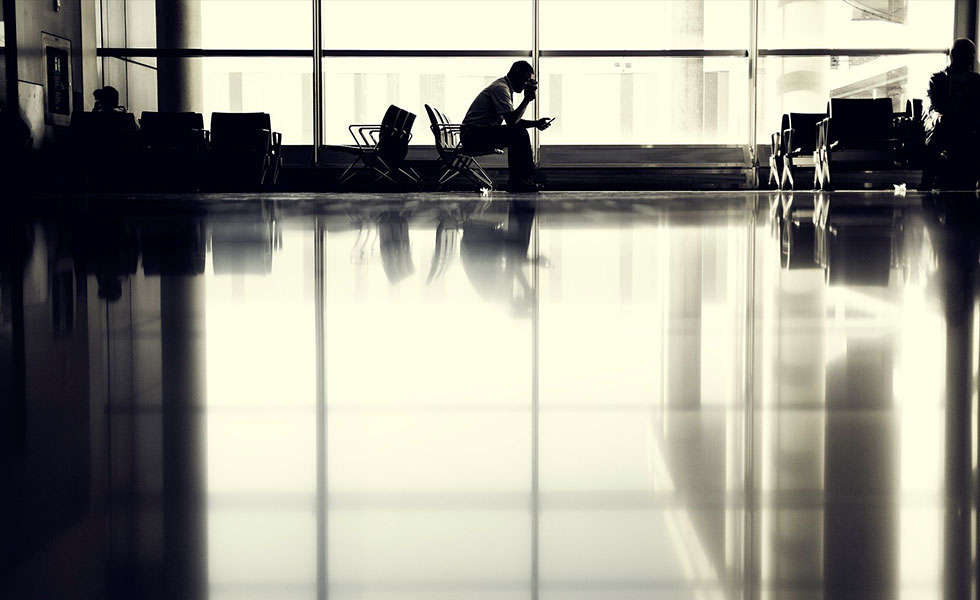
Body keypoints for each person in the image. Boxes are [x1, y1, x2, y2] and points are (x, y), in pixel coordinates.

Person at [461, 60, 553, 193]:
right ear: (518, 76)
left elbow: (512, 121)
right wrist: (527, 99)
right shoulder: (501, 89)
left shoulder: (504, 87)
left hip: (475, 133)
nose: (527, 84)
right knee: (518, 134)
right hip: (473, 135)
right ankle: (520, 181)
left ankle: (520, 180)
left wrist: (536, 123)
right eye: (527, 79)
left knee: (517, 133)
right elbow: (512, 122)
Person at [923, 38, 980, 189]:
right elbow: (931, 103)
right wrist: (936, 115)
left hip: (967, 123)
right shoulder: (938, 79)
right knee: (939, 131)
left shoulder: (976, 81)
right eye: (968, 54)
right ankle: (927, 181)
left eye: (971, 54)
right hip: (945, 121)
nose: (971, 58)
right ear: (954, 55)